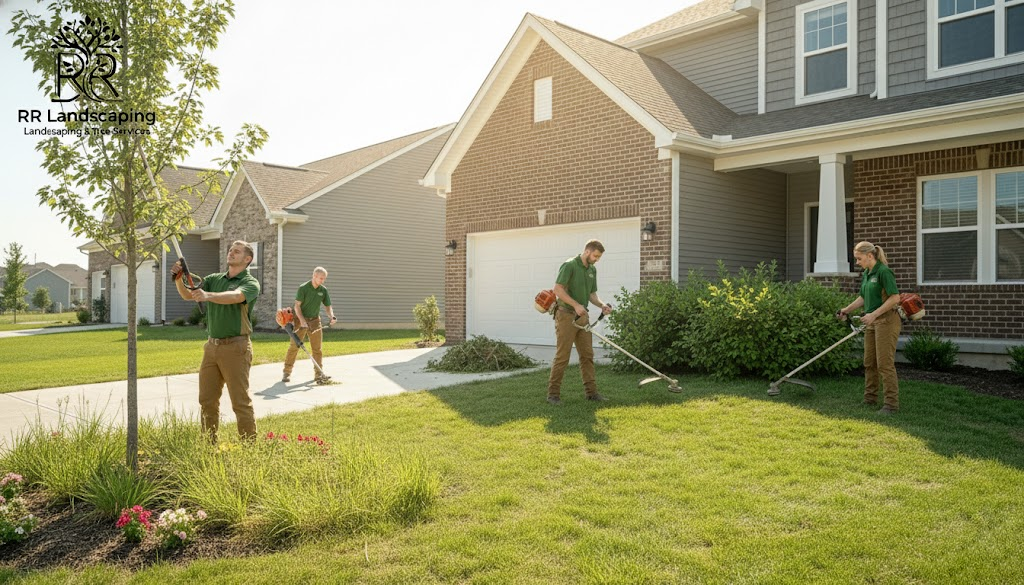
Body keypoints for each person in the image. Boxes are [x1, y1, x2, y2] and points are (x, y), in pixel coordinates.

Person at [171, 240, 261, 441]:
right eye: (230, 250)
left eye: (236, 251)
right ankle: (208, 443)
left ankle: (249, 446)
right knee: (207, 400)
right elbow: (189, 294)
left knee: (240, 401)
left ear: (247, 259)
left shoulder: (250, 283)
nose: (231, 253)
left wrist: (208, 295)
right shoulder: (213, 279)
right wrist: (179, 277)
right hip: (211, 347)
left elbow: (236, 296)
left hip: (236, 348)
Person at [837, 241, 902, 414]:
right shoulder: (867, 273)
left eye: (859, 259)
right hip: (872, 322)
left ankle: (891, 405)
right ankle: (870, 398)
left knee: (885, 364)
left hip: (887, 321)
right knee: (869, 362)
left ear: (870, 256)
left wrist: (874, 314)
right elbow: (863, 297)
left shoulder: (883, 272)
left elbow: (895, 298)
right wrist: (846, 310)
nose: (857, 263)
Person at [547, 239, 613, 405]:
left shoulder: (592, 270)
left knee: (587, 355)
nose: (597, 259)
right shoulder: (570, 265)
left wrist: (602, 305)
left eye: (599, 257)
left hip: (582, 317)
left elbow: (592, 294)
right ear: (587, 251)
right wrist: (576, 305)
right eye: (595, 256)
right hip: (566, 315)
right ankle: (553, 395)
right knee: (563, 356)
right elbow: (558, 289)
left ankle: (591, 393)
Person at [282, 266, 337, 383]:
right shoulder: (303, 288)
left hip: (315, 321)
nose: (323, 281)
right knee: (294, 347)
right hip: (300, 320)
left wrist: (331, 316)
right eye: (321, 278)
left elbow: (328, 306)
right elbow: (297, 306)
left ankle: (319, 375)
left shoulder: (323, 290)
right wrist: (302, 320)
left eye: (324, 279)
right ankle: (286, 372)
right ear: (314, 276)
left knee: (317, 349)